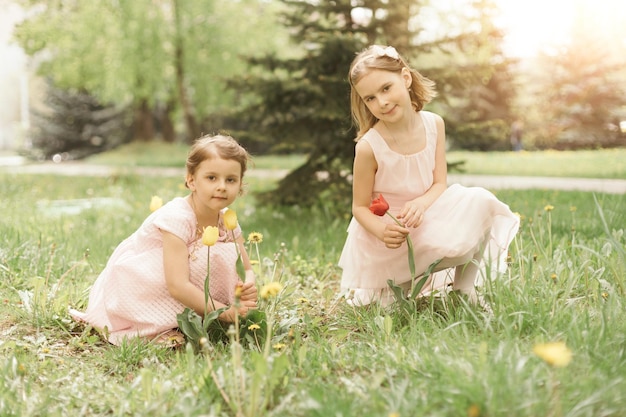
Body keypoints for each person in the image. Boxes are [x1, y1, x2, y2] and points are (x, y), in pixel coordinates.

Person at [338, 45, 520, 307]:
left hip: (426, 217)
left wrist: (421, 204)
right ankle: (396, 286)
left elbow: (439, 183)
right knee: (388, 306)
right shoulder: (369, 147)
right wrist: (382, 230)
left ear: (406, 78)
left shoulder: (434, 124)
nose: (382, 102)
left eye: (386, 88)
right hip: (392, 237)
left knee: (480, 201)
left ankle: (464, 291)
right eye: (370, 98)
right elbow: (359, 207)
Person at [70, 134, 257, 345]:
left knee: (222, 253)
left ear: (240, 184)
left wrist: (248, 285)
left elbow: (246, 266)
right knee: (204, 257)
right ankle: (155, 328)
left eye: (230, 179)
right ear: (191, 180)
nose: (222, 186)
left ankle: (199, 315)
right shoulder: (177, 217)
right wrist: (224, 312)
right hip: (141, 282)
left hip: (180, 281)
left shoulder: (227, 219)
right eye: (212, 178)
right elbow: (177, 285)